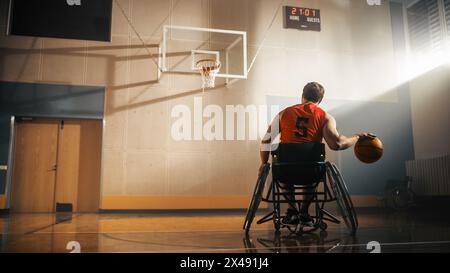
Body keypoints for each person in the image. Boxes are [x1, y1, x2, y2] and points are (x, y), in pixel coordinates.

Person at [259, 82, 368, 227]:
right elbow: (337, 144)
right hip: (311, 171)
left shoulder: (284, 113)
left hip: (285, 171)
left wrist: (263, 163)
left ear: (302, 96)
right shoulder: (325, 116)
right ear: (320, 100)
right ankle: (304, 213)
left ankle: (292, 211)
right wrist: (357, 137)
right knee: (311, 166)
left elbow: (266, 141)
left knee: (283, 163)